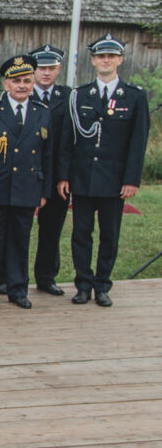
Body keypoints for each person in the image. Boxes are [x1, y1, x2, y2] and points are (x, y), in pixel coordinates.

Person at [58, 33, 150, 307]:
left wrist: (131, 179)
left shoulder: (134, 97)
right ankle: (83, 285)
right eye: (101, 56)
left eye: (111, 56)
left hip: (114, 181)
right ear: (94, 61)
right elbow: (67, 139)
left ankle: (103, 285)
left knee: (109, 236)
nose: (106, 60)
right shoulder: (80, 95)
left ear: (120, 60)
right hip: (83, 177)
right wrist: (64, 175)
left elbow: (138, 143)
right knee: (81, 234)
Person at [0, 56, 52, 309]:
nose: (22, 86)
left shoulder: (42, 113)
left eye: (27, 81)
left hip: (27, 187)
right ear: (6, 84)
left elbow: (48, 155)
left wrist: (44, 190)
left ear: (33, 83)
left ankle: (18, 289)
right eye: (16, 81)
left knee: (20, 241)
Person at [29, 44, 70, 296]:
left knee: (52, 229)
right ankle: (9, 277)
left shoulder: (69, 97)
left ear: (59, 69)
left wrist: (65, 175)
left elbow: (70, 142)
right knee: (16, 230)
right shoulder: (21, 93)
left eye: (51, 68)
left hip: (55, 175)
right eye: (41, 68)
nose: (45, 73)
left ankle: (46, 277)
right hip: (27, 173)